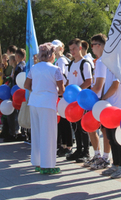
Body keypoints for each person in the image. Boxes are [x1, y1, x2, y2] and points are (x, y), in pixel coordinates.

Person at [24, 42, 65, 175]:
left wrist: (37, 90)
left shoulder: (34, 68)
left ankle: (37, 161)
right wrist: (50, 91)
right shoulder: (55, 69)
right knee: (48, 133)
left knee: (36, 133)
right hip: (47, 103)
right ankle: (47, 164)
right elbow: (61, 89)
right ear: (51, 55)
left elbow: (26, 84)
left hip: (34, 101)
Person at [98, 35, 121, 179]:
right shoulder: (109, 64)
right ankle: (116, 165)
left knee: (119, 139)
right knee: (111, 137)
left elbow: (115, 85)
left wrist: (103, 98)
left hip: (118, 107)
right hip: (109, 107)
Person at [86, 34, 111, 170]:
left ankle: (105, 157)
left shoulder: (102, 62)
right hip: (98, 99)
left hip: (99, 99)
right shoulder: (100, 61)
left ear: (99, 45)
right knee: (93, 127)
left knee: (103, 129)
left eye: (93, 44)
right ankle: (99, 155)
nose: (91, 48)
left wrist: (87, 93)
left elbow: (99, 85)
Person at [66, 38, 93, 162]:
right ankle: (78, 150)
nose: (72, 52)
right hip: (72, 101)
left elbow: (89, 81)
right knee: (75, 125)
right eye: (71, 49)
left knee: (83, 126)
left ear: (80, 48)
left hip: (82, 99)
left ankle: (86, 152)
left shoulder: (85, 63)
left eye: (74, 49)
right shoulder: (71, 64)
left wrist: (78, 90)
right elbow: (69, 81)